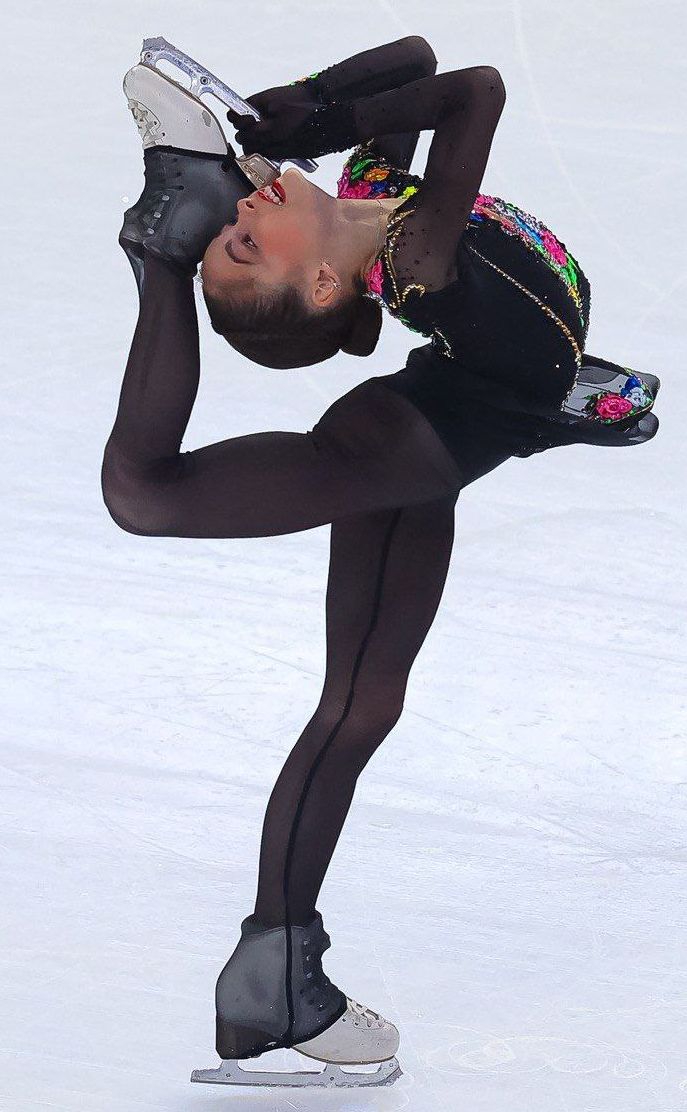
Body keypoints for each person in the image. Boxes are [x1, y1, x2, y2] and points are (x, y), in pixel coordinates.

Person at [104, 37, 660, 1085]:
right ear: (323, 279)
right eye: (240, 241)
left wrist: (291, 108)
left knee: (362, 706)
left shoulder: (374, 192)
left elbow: (415, 60)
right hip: (388, 451)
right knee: (145, 495)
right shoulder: (416, 259)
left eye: (228, 225)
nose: (248, 212)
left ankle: (271, 982)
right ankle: (160, 250)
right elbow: (476, 91)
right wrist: (312, 128)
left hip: (432, 436)